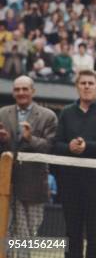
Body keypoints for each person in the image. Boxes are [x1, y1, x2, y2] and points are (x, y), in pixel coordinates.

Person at [53, 69, 96, 258]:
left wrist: (86, 147)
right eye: (83, 83)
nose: (87, 86)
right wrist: (70, 147)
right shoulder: (66, 112)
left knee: (94, 233)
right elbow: (56, 144)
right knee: (71, 231)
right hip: (70, 181)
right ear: (77, 87)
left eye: (91, 83)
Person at [0, 76, 57, 258]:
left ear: (33, 91)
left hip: (33, 186)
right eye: (17, 89)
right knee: (4, 231)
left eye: (25, 89)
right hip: (6, 185)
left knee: (27, 235)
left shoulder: (48, 116)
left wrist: (30, 138)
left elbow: (50, 147)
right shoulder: (2, 113)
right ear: (13, 92)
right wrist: (3, 141)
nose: (21, 93)